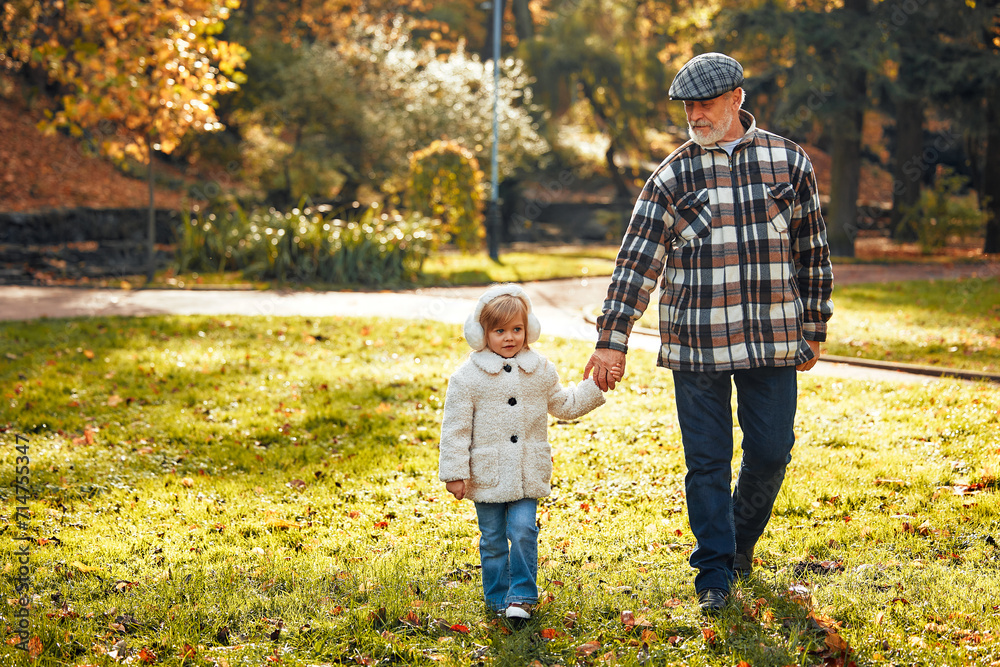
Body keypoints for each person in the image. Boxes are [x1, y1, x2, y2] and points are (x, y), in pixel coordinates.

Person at [584, 52, 834, 614]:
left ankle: (740, 544)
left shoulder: (789, 162)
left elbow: (811, 250)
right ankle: (714, 573)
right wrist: (611, 338)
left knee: (771, 451)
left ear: (737, 99)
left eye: (706, 103)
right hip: (696, 342)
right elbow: (636, 263)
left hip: (772, 338)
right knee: (708, 460)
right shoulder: (671, 176)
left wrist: (814, 324)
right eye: (688, 105)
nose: (695, 114)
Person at [439, 283, 615, 621]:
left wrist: (595, 386)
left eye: (517, 329)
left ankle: (520, 596)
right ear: (481, 334)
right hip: (485, 474)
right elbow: (455, 429)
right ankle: (496, 599)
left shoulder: (540, 370)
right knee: (492, 539)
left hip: (525, 472)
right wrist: (455, 472)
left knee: (522, 530)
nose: (510, 337)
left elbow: (564, 404)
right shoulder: (467, 378)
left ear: (528, 330)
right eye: (500, 331)